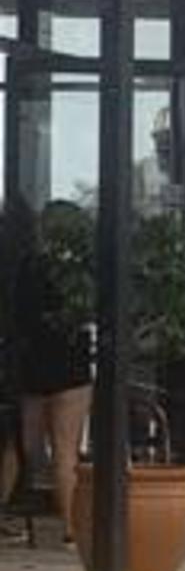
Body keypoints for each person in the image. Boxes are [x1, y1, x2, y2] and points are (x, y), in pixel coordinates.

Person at [15, 202, 95, 546]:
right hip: (71, 367)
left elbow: (19, 314)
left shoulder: (29, 267)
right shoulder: (79, 272)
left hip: (33, 363)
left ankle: (7, 509)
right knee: (66, 451)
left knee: (21, 445)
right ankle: (71, 528)